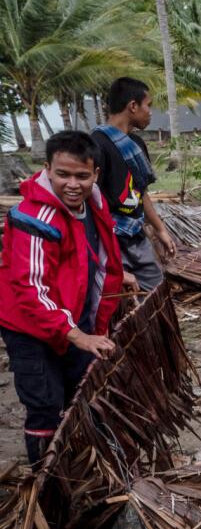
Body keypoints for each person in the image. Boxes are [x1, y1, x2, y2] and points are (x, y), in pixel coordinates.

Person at [0, 132, 127, 465]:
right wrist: (79, 336)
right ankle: (45, 487)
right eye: (63, 174)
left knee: (80, 394)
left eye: (82, 176)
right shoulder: (34, 218)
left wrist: (117, 276)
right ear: (47, 169)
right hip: (28, 325)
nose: (73, 184)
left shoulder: (94, 204)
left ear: (95, 175)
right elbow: (31, 289)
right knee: (44, 405)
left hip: (71, 317)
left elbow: (90, 253)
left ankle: (79, 468)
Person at [91, 77, 178, 291]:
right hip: (110, 240)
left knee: (156, 292)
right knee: (118, 302)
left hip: (135, 235)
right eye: (148, 105)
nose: (150, 112)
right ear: (133, 106)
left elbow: (141, 192)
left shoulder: (136, 145)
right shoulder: (96, 145)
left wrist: (161, 230)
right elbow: (90, 200)